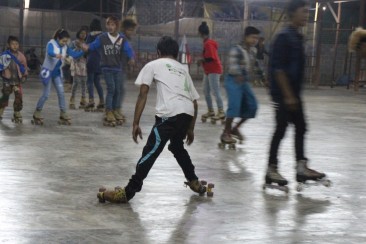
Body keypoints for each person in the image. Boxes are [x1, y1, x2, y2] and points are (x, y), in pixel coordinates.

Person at [97, 36, 206, 203]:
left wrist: (135, 123)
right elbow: (194, 103)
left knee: (151, 151)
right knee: (177, 147)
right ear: (176, 54)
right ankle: (193, 181)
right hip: (187, 114)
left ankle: (128, 191)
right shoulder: (183, 70)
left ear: (158, 52)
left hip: (169, 115)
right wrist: (190, 128)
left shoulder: (153, 65)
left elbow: (143, 94)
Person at [265, 0, 326, 187]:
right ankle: (271, 170)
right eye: (304, 11)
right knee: (281, 129)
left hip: (293, 94)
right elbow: (278, 69)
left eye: (308, 12)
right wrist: (288, 95)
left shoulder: (297, 36)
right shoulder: (284, 36)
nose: (307, 15)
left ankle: (301, 167)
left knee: (301, 127)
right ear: (292, 13)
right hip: (284, 94)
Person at [82, 16, 135, 125]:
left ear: (116, 26)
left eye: (112, 25)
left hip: (118, 68)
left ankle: (115, 109)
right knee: (111, 89)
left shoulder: (121, 38)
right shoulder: (102, 37)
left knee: (118, 90)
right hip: (106, 68)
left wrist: (131, 57)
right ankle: (108, 111)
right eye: (108, 24)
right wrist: (86, 47)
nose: (110, 27)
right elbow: (93, 45)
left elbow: (128, 49)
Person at [32, 29, 84, 125]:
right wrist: (57, 55)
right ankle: (37, 111)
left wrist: (83, 51)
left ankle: (63, 112)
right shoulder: (51, 43)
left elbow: (74, 54)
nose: (64, 43)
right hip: (47, 72)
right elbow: (50, 52)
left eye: (66, 41)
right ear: (58, 38)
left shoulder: (65, 47)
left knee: (61, 93)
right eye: (63, 41)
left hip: (57, 74)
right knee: (46, 94)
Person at [220, 26, 260, 145]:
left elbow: (255, 65)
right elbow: (232, 65)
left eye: (256, 38)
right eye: (253, 37)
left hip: (244, 81)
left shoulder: (253, 51)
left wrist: (263, 78)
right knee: (234, 106)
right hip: (233, 80)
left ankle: (235, 128)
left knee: (253, 106)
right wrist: (239, 74)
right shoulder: (236, 49)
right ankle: (225, 133)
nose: (255, 40)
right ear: (246, 37)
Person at [197, 21, 224, 123]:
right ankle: (211, 110)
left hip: (214, 70)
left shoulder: (208, 43)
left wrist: (201, 60)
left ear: (200, 33)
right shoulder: (206, 43)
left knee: (215, 91)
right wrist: (203, 60)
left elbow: (211, 58)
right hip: (208, 71)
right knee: (206, 91)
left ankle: (221, 111)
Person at [0, 36, 28, 122]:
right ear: (8, 45)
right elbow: (0, 66)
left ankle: (17, 112)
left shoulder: (21, 56)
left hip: (17, 81)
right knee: (5, 96)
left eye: (16, 44)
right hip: (7, 81)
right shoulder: (4, 55)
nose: (15, 46)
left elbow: (24, 67)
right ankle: (0, 111)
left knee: (19, 96)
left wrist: (24, 76)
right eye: (13, 44)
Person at [117, 18, 138, 120]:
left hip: (122, 67)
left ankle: (117, 108)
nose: (132, 32)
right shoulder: (121, 38)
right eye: (130, 30)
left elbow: (131, 51)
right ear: (124, 29)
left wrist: (132, 58)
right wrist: (130, 57)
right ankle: (114, 109)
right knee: (118, 89)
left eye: (133, 30)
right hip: (117, 67)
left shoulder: (128, 39)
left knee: (121, 89)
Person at [84, 19, 104, 112]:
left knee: (90, 81)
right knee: (97, 82)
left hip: (91, 60)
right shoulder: (103, 36)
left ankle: (91, 100)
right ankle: (102, 101)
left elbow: (87, 47)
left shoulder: (90, 35)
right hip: (100, 61)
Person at [69, 28, 88, 109]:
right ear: (78, 34)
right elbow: (70, 52)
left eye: (85, 33)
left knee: (84, 83)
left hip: (84, 65)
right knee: (76, 83)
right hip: (76, 64)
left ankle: (83, 100)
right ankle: (72, 100)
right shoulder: (73, 43)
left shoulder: (87, 43)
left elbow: (88, 54)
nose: (83, 35)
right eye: (81, 33)